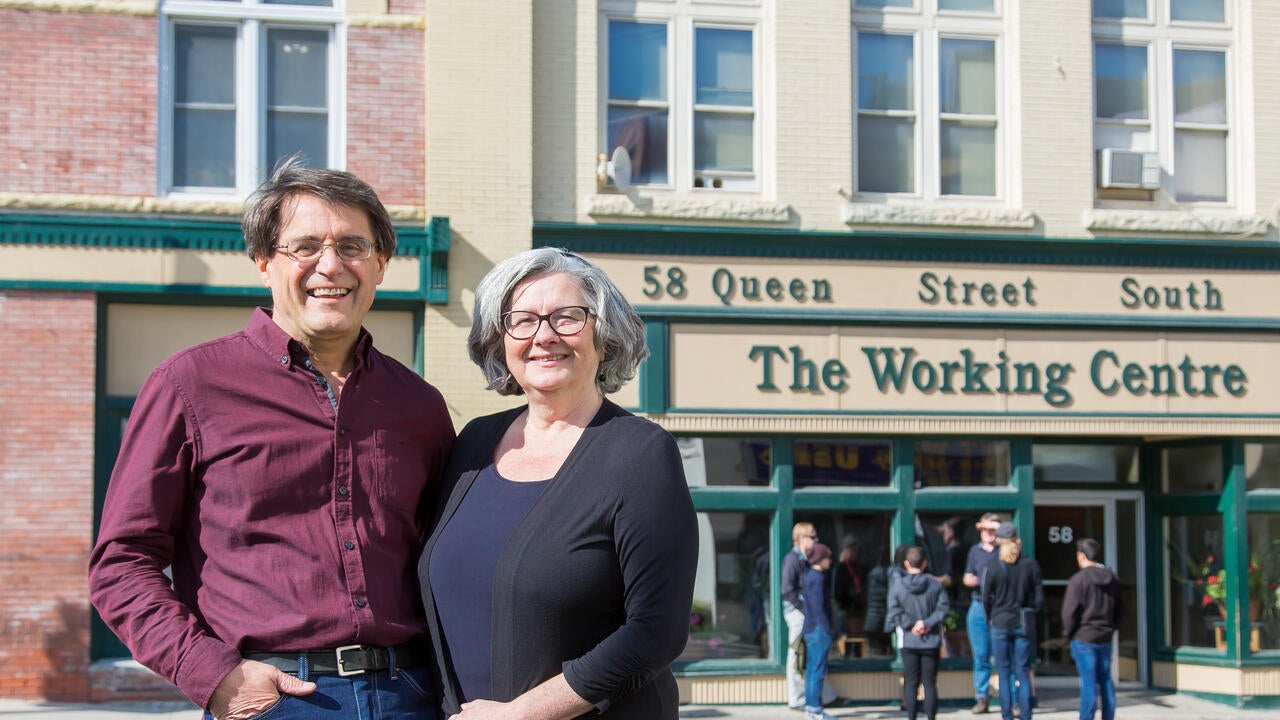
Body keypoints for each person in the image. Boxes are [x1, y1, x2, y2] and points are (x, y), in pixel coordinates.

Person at [88, 160, 455, 720]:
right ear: (264, 262)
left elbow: (445, 559)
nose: (330, 265)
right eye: (304, 246)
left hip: (412, 693)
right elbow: (122, 563)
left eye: (353, 247)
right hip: (273, 698)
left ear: (380, 265)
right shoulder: (189, 385)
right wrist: (209, 674)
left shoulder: (419, 406)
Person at [416, 247, 698, 719]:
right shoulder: (472, 443)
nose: (544, 336)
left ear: (603, 336)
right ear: (499, 340)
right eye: (522, 320)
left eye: (567, 317)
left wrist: (521, 714)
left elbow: (656, 631)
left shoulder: (641, 454)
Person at [983, 523, 1044, 720]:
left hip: (1000, 622)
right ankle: (1025, 715)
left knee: (1003, 672)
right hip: (1022, 622)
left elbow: (986, 597)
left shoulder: (993, 565)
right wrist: (1032, 611)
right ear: (1017, 540)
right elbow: (1039, 599)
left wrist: (990, 616)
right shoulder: (1030, 564)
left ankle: (1006, 715)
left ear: (1000, 541)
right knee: (1023, 672)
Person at [1063, 538, 1123, 720]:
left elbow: (1069, 612)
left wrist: (1069, 633)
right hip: (1104, 636)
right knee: (1105, 681)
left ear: (1081, 555)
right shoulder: (1112, 578)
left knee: (1089, 684)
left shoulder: (1079, 579)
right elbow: (1120, 609)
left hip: (1084, 638)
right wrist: (1111, 628)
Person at [887, 546, 949, 720]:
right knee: (929, 683)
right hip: (930, 640)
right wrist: (927, 623)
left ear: (906, 563)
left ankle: (911, 717)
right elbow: (943, 609)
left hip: (909, 640)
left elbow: (894, 611)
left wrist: (912, 625)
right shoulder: (935, 585)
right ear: (924, 563)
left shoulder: (898, 586)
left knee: (911, 682)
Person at [784, 522, 838, 709]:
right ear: (801, 538)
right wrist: (803, 608)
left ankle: (820, 697)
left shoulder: (809, 561)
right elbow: (787, 589)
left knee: (813, 660)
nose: (816, 540)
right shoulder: (792, 559)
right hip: (799, 613)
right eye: (812, 537)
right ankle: (797, 698)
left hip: (810, 615)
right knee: (797, 655)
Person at [964, 512, 1003, 713]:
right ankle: (982, 697)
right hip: (979, 605)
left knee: (1005, 655)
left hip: (999, 606)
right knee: (980, 655)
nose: (987, 533)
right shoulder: (974, 551)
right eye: (984, 530)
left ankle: (1010, 698)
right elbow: (967, 575)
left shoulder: (1004, 551)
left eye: (991, 530)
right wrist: (970, 580)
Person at [801, 543, 838, 720]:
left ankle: (811, 707)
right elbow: (818, 607)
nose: (830, 561)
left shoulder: (809, 576)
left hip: (810, 628)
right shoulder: (818, 577)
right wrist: (827, 628)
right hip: (818, 630)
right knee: (817, 669)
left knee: (811, 670)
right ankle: (815, 709)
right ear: (819, 559)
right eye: (828, 557)